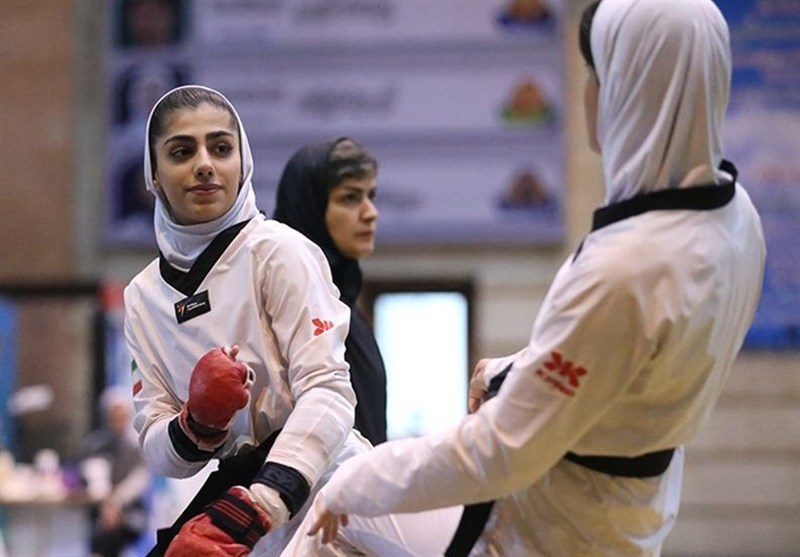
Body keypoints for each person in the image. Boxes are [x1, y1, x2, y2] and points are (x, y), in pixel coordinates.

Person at [308, 1, 767, 556]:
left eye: (596, 72)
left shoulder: (626, 267)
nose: (587, 92)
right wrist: (515, 373)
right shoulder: (736, 219)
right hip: (631, 514)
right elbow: (630, 362)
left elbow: (498, 450)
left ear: (628, 87)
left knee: (324, 516)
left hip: (549, 531)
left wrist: (356, 481)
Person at [123, 84, 459, 556]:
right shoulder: (143, 297)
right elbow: (159, 449)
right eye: (182, 152)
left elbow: (329, 392)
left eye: (221, 148)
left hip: (328, 482)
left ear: (243, 161)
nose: (205, 164)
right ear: (154, 174)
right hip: (241, 503)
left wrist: (261, 503)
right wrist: (195, 424)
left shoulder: (280, 250)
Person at [272, 138, 387, 446]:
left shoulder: (343, 303)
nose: (370, 212)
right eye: (350, 198)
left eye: (371, 196)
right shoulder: (283, 307)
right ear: (309, 207)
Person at [80, 386, 151, 557]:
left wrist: (115, 502)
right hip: (100, 509)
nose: (118, 421)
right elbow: (91, 475)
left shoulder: (137, 447)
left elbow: (139, 480)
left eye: (121, 416)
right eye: (114, 416)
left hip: (129, 512)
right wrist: (105, 501)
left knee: (113, 529)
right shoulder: (96, 445)